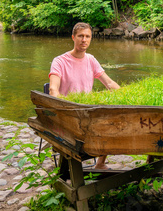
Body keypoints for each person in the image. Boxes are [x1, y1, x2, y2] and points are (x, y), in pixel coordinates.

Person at [48, 22, 120, 169]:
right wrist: (66, 108)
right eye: (80, 36)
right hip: (68, 114)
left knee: (110, 123)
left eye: (87, 36)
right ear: (73, 37)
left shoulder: (91, 60)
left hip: (88, 113)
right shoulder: (59, 61)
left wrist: (127, 94)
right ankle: (69, 168)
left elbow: (109, 83)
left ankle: (100, 164)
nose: (84, 40)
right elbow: (53, 90)